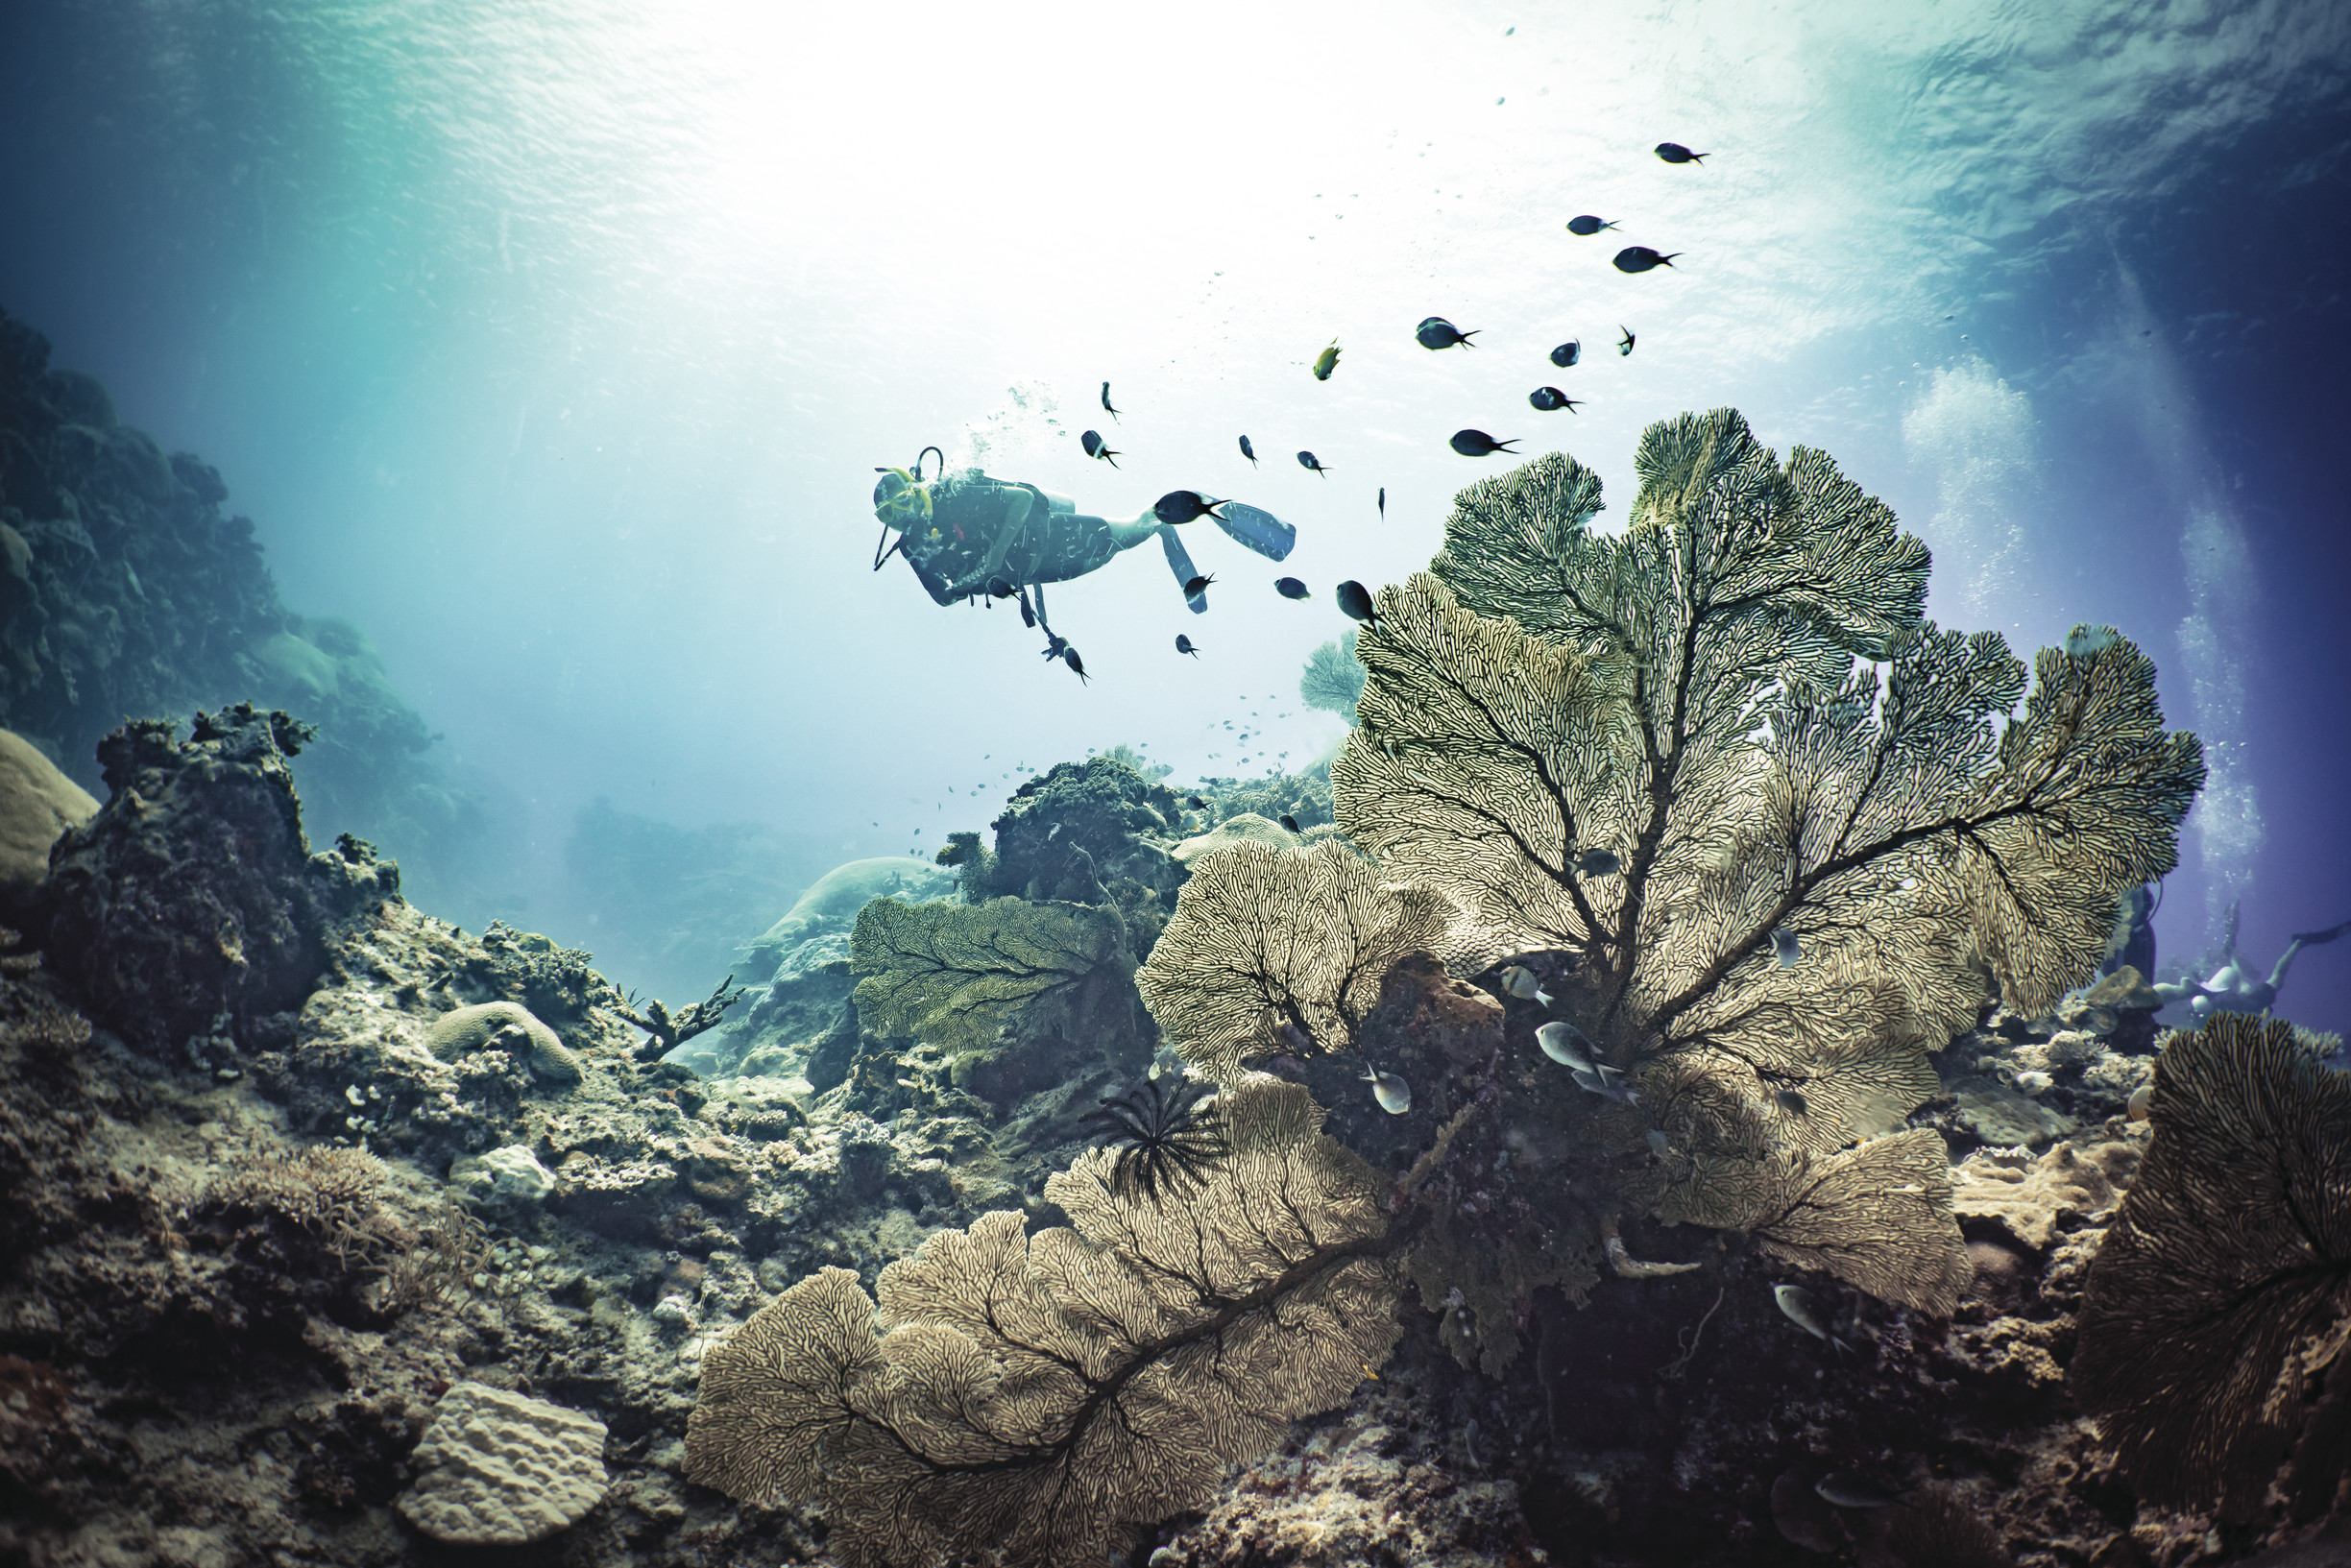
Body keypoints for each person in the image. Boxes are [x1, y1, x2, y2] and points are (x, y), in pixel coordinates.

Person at [870, 449, 1294, 632]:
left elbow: (1019, 500)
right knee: (1128, 541)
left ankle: (1194, 509)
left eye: (903, 503)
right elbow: (942, 598)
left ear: (915, 487)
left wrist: (995, 558)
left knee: (1132, 531)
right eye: (892, 515)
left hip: (1057, 534)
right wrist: (975, 581)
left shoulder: (955, 492)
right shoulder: (913, 546)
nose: (905, 517)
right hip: (1047, 570)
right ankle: (1166, 524)